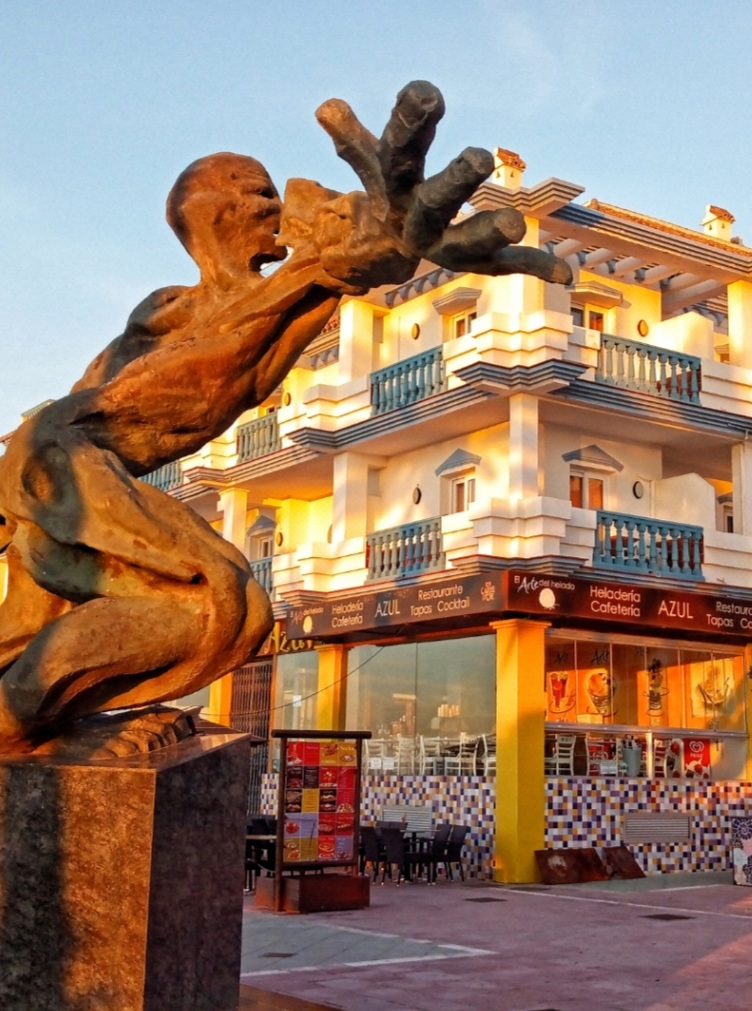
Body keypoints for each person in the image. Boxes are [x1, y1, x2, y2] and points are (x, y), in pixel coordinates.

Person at [0, 82, 569, 751]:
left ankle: (41, 720)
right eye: (259, 190)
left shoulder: (282, 298)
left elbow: (319, 289)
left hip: (64, 467)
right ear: (214, 212)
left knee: (64, 623)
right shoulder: (171, 308)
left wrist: (360, 255)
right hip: (60, 462)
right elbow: (188, 366)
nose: (277, 205)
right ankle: (18, 717)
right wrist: (318, 270)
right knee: (221, 600)